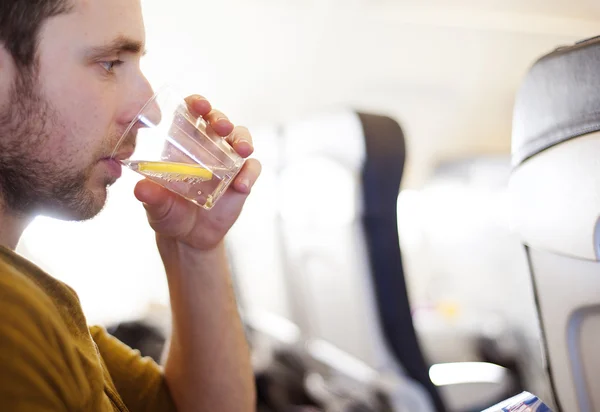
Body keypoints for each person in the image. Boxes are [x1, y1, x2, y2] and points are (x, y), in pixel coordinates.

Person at [0, 0, 261, 411]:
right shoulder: (11, 318)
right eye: (109, 63)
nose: (151, 111)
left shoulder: (38, 300)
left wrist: (195, 247)